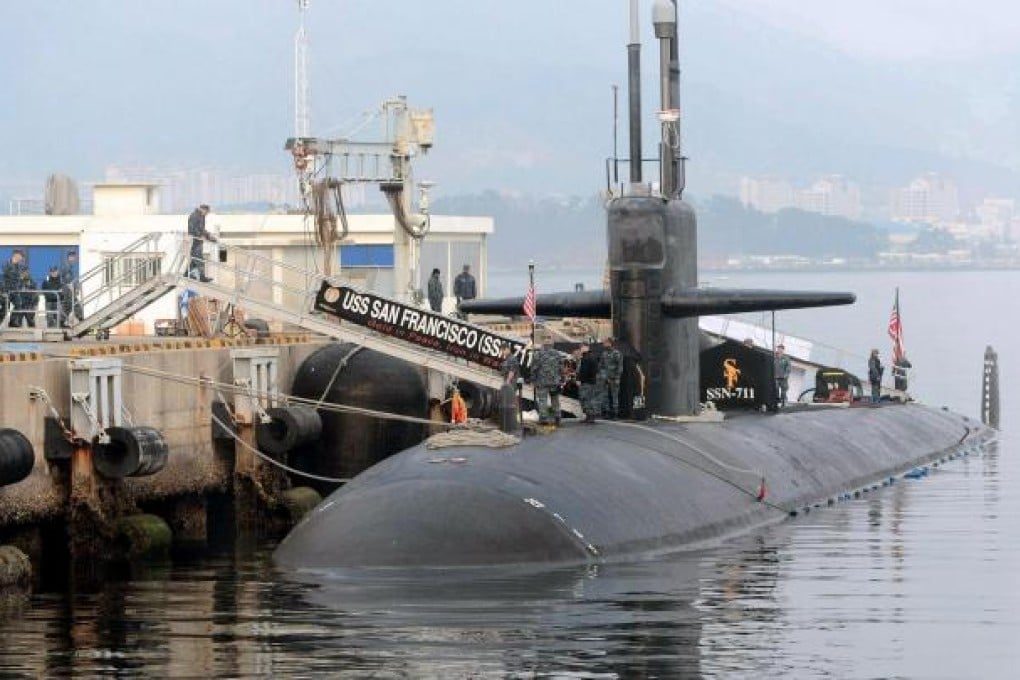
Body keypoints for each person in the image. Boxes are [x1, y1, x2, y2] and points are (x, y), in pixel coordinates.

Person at [532, 342, 563, 426]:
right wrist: (560, 379)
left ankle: (544, 418)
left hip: (542, 381)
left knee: (543, 400)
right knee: (555, 400)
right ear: (552, 346)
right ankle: (557, 418)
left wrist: (533, 380)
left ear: (543, 346)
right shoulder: (557, 354)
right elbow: (561, 368)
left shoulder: (538, 354)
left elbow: (534, 368)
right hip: (554, 382)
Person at [3, 250, 34, 328]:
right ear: (16, 255)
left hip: (15, 291)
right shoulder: (6, 264)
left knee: (18, 305)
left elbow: (19, 279)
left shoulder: (19, 267)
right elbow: (3, 277)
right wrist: (3, 291)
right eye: (21, 256)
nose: (22, 258)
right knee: (4, 310)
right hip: (6, 291)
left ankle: (12, 322)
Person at [187, 204, 216, 282]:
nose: (207, 214)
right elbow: (192, 229)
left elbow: (202, 229)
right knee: (199, 259)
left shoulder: (201, 216)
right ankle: (202, 277)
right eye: (206, 212)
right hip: (195, 240)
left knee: (195, 259)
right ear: (203, 209)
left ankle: (186, 274)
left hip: (198, 240)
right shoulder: (194, 216)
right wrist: (200, 235)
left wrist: (209, 237)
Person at [598, 336, 623, 419]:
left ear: (610, 343)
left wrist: (617, 378)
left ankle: (615, 413)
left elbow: (620, 367)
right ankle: (607, 412)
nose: (604, 344)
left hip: (614, 378)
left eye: (605, 342)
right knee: (604, 395)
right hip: (605, 378)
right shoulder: (603, 353)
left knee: (614, 396)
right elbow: (600, 365)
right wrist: (602, 375)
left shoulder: (617, 353)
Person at [575, 344, 600, 423]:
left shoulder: (587, 358)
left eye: (582, 347)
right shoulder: (588, 357)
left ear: (587, 348)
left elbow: (585, 371)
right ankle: (589, 416)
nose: (581, 349)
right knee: (586, 399)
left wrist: (580, 380)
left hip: (587, 382)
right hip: (589, 381)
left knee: (586, 399)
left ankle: (591, 416)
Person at [59, 249, 81, 324]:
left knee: (67, 307)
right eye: (71, 256)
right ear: (68, 257)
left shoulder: (73, 267)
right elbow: (65, 279)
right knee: (74, 306)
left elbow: (75, 279)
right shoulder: (66, 267)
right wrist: (70, 286)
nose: (73, 258)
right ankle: (81, 320)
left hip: (71, 290)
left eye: (74, 257)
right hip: (68, 291)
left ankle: (62, 322)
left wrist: (77, 288)